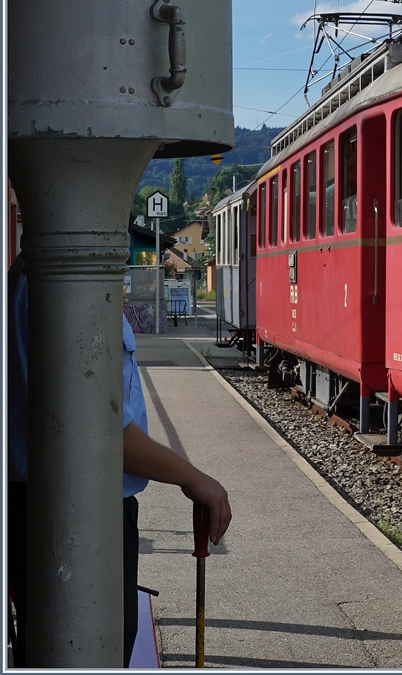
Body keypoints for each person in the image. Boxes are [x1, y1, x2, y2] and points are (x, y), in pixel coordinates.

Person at [7, 253, 232, 667]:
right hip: (80, 511)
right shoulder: (63, 275)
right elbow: (100, 434)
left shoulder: (34, 273)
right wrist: (194, 478)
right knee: (93, 649)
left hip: (51, 506)